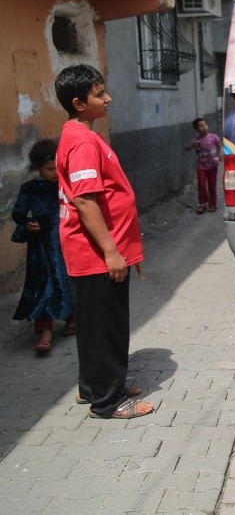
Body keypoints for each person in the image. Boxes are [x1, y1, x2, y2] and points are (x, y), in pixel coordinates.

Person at [54, 64, 153, 419]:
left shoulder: (83, 135)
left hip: (103, 252)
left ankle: (94, 386)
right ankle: (108, 402)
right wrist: (111, 252)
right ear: (79, 103)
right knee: (106, 326)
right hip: (96, 254)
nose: (108, 98)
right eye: (99, 94)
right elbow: (84, 201)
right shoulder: (80, 141)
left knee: (96, 326)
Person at [11, 139, 74, 352]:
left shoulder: (68, 186)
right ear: (38, 167)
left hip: (67, 244)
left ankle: (71, 320)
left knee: (69, 282)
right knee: (44, 286)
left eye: (59, 168)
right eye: (49, 169)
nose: (55, 173)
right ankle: (46, 330)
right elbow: (18, 214)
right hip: (42, 250)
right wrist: (28, 225)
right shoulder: (30, 189)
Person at [185, 118, 222, 214]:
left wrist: (219, 156)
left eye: (205, 124)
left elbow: (219, 146)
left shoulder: (213, 137)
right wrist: (191, 146)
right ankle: (202, 203)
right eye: (200, 126)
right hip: (201, 165)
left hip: (213, 165)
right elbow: (187, 148)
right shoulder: (196, 140)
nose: (204, 127)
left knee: (212, 185)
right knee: (201, 184)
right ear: (197, 129)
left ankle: (212, 204)